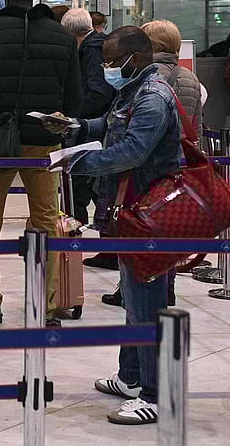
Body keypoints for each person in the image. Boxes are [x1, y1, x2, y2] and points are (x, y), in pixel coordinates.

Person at [51, 27, 182, 426]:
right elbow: (110, 126)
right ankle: (131, 377)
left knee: (147, 303)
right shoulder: (132, 91)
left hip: (150, 213)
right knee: (134, 297)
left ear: (135, 59)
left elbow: (132, 152)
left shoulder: (153, 97)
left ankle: (156, 395)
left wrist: (77, 162)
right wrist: (75, 128)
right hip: (131, 209)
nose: (106, 68)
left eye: (110, 61)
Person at [0, 0, 82, 329]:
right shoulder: (61, 37)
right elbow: (74, 95)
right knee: (46, 221)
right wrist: (63, 126)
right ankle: (44, 306)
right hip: (45, 141)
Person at [99, 19, 203, 309]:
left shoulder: (149, 88)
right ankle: (163, 290)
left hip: (147, 182)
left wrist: (85, 161)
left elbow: (134, 146)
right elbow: (196, 125)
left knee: (143, 279)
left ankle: (142, 294)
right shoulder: (189, 78)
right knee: (162, 249)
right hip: (174, 178)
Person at [60, 8, 117, 270]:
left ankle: (76, 247)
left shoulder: (92, 50)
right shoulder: (94, 46)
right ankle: (102, 246)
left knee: (83, 188)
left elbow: (98, 92)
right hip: (93, 127)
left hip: (90, 129)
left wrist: (74, 115)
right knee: (95, 190)